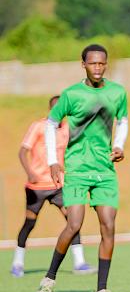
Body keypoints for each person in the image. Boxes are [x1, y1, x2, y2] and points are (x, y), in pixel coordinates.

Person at [35, 44, 128, 292]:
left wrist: (119, 145)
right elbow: (51, 123)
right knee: (74, 224)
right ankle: (48, 281)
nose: (97, 68)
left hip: (105, 170)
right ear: (83, 64)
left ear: (106, 64)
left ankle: (101, 291)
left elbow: (123, 120)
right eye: (92, 63)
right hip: (77, 168)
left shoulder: (117, 92)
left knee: (108, 226)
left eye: (102, 63)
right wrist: (53, 161)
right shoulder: (71, 94)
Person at [11, 96, 96, 278]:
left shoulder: (67, 128)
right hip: (37, 186)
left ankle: (79, 262)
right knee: (29, 223)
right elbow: (23, 151)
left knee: (73, 221)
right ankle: (17, 263)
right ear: (50, 109)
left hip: (59, 185)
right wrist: (30, 172)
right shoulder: (38, 126)